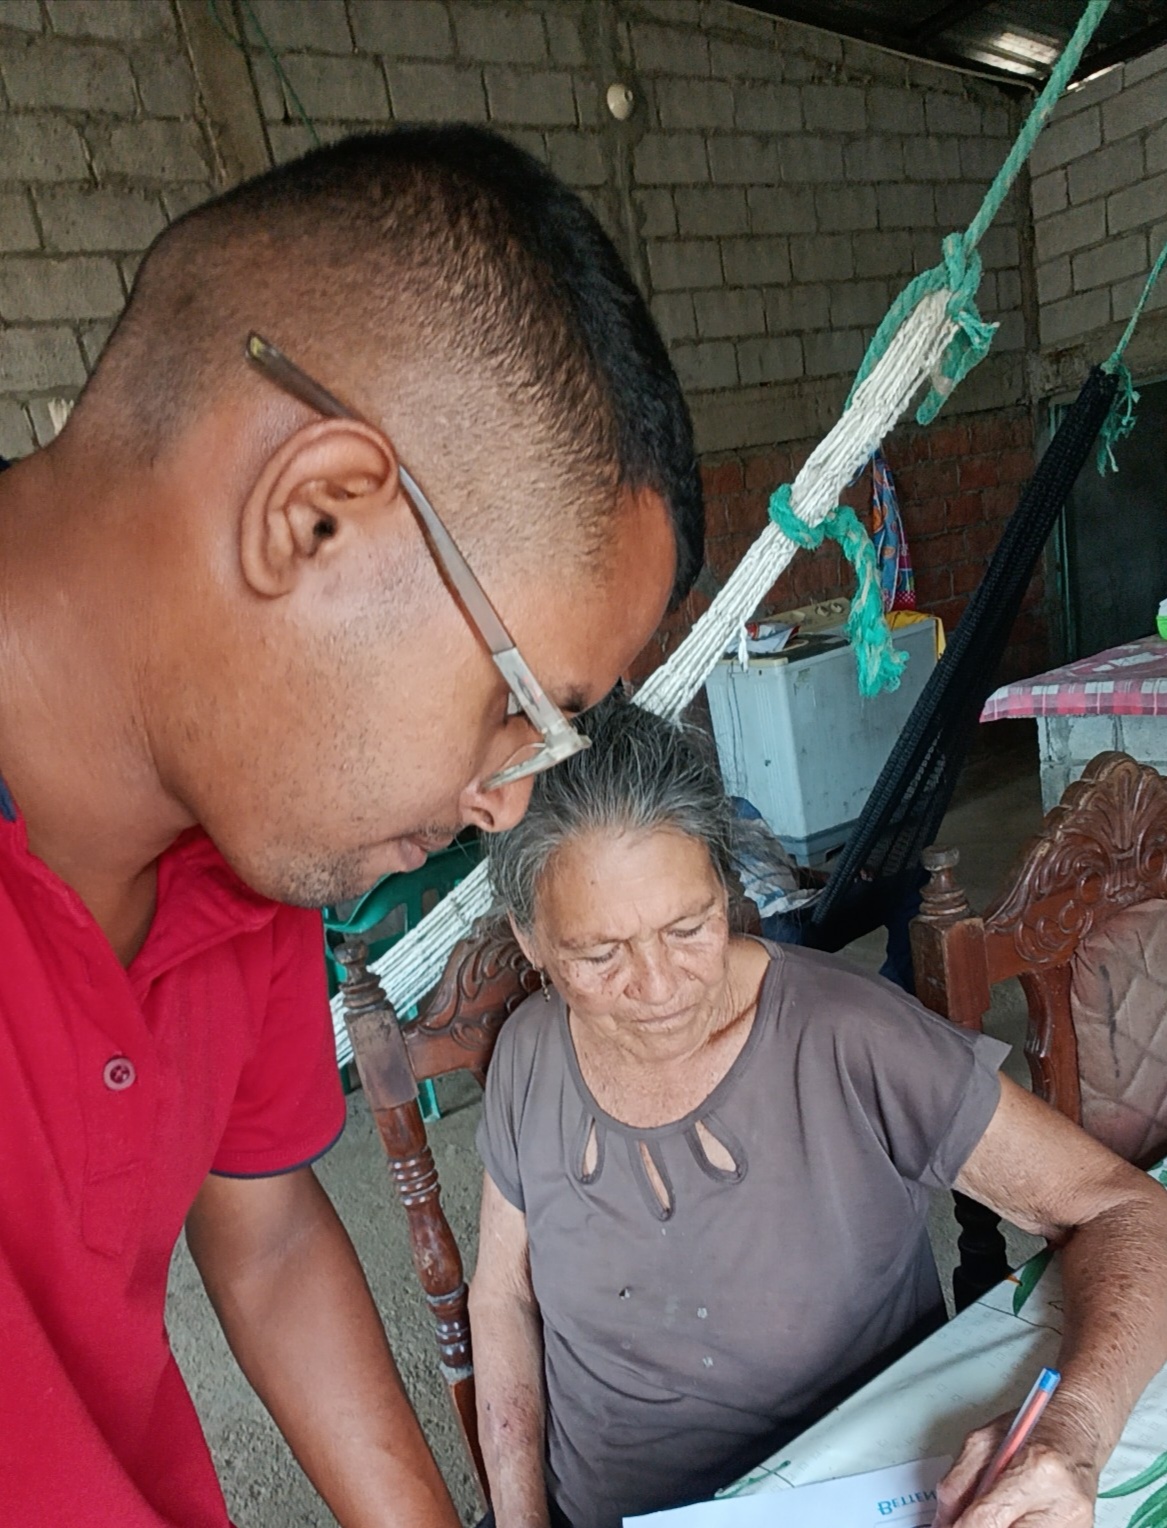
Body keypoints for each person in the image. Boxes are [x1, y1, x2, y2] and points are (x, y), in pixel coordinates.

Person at [0, 127, 702, 1528]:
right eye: (516, 710)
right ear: (315, 515)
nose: (505, 802)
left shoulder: (239, 845)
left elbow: (262, 1236)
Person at [471, 695, 1167, 1528]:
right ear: (529, 938)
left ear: (724, 888)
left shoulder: (851, 1038)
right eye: (598, 953)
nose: (656, 988)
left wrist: (1073, 1433)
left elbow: (1128, 1213)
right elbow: (501, 1297)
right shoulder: (529, 1051)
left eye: (688, 928)